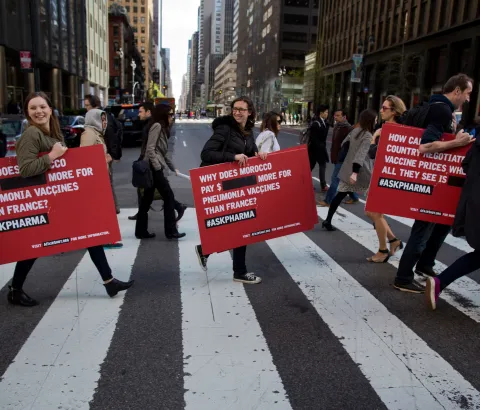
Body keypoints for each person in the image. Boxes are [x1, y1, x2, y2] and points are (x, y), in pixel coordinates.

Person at [7, 92, 133, 307]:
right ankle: (15, 289)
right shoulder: (31, 134)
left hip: (58, 197)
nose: (38, 111)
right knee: (34, 246)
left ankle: (109, 281)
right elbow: (26, 169)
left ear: (50, 108)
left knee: (87, 233)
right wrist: (53, 155)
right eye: (33, 108)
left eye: (42, 107)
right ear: (27, 112)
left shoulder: (50, 132)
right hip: (43, 200)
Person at [394, 74, 474, 293]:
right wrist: (457, 142)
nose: (468, 99)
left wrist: (453, 136)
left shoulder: (436, 106)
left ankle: (425, 264)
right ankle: (402, 277)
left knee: (442, 223)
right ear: (457, 91)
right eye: (467, 94)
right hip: (431, 180)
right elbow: (425, 146)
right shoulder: (442, 110)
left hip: (435, 180)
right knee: (422, 228)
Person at [195, 96, 267, 284]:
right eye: (235, 108)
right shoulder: (225, 128)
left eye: (241, 109)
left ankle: (207, 251)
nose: (237, 112)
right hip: (221, 184)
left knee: (237, 225)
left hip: (237, 185)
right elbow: (206, 153)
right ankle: (239, 271)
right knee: (239, 226)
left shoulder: (248, 132)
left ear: (249, 112)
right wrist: (233, 156)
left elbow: (249, 153)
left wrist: (258, 155)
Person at [425, 134, 480, 309]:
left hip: (474, 203)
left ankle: (440, 281)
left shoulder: (477, 145)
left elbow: (466, 166)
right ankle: (441, 281)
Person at [364, 96, 407, 262]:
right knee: (371, 211)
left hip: (386, 177)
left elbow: (374, 153)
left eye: (384, 108)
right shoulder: (388, 127)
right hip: (381, 175)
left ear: (394, 111)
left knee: (374, 212)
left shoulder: (391, 130)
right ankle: (393, 241)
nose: (381, 110)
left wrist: (374, 138)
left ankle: (383, 251)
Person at [135, 104, 186, 240]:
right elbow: (150, 149)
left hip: (154, 167)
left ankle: (140, 231)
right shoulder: (157, 126)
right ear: (163, 115)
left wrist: (172, 167)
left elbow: (163, 153)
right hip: (153, 168)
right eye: (170, 114)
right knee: (168, 196)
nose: (172, 117)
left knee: (147, 200)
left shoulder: (162, 128)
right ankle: (171, 231)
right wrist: (158, 168)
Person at [322, 109, 377, 231]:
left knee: (340, 194)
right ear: (371, 121)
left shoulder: (355, 131)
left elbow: (343, 144)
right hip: (361, 171)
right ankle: (377, 223)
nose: (377, 121)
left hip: (347, 168)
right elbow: (361, 155)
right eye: (375, 119)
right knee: (373, 197)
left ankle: (328, 220)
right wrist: (355, 172)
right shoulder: (368, 135)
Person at [84, 94, 122, 214]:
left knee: (105, 183)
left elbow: (111, 134)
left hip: (103, 155)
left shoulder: (102, 117)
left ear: (94, 105)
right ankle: (113, 208)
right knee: (106, 182)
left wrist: (111, 154)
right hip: (100, 154)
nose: (86, 108)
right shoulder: (100, 116)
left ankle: (112, 209)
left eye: (87, 105)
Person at [318, 109, 358, 206]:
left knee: (335, 179)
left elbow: (352, 145)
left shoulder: (349, 128)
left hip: (343, 158)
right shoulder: (337, 126)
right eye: (335, 115)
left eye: (338, 115)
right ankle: (354, 197)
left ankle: (328, 200)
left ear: (344, 117)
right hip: (337, 157)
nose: (335, 117)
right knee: (344, 180)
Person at [308, 105, 330, 192]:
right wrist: (320, 147)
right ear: (321, 113)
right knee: (318, 166)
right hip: (315, 149)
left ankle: (322, 185)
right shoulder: (316, 123)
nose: (327, 114)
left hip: (319, 148)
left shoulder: (324, 122)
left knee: (315, 166)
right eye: (326, 112)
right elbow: (313, 138)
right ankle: (323, 185)